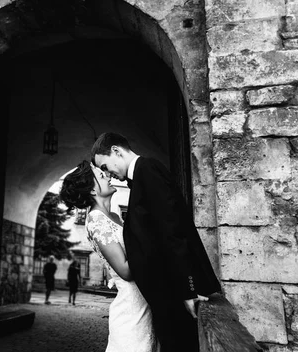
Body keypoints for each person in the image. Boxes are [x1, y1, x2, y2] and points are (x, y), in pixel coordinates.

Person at [91, 132, 221, 352]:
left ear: (116, 151)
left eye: (104, 166)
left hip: (176, 295)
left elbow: (173, 233)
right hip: (165, 297)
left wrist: (188, 290)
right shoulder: (142, 175)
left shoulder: (148, 170)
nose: (108, 174)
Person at [60, 161, 157, 351]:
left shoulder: (114, 216)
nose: (108, 175)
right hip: (131, 311)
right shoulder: (96, 221)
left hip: (145, 303)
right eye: (101, 175)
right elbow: (126, 271)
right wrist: (153, 239)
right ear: (92, 191)